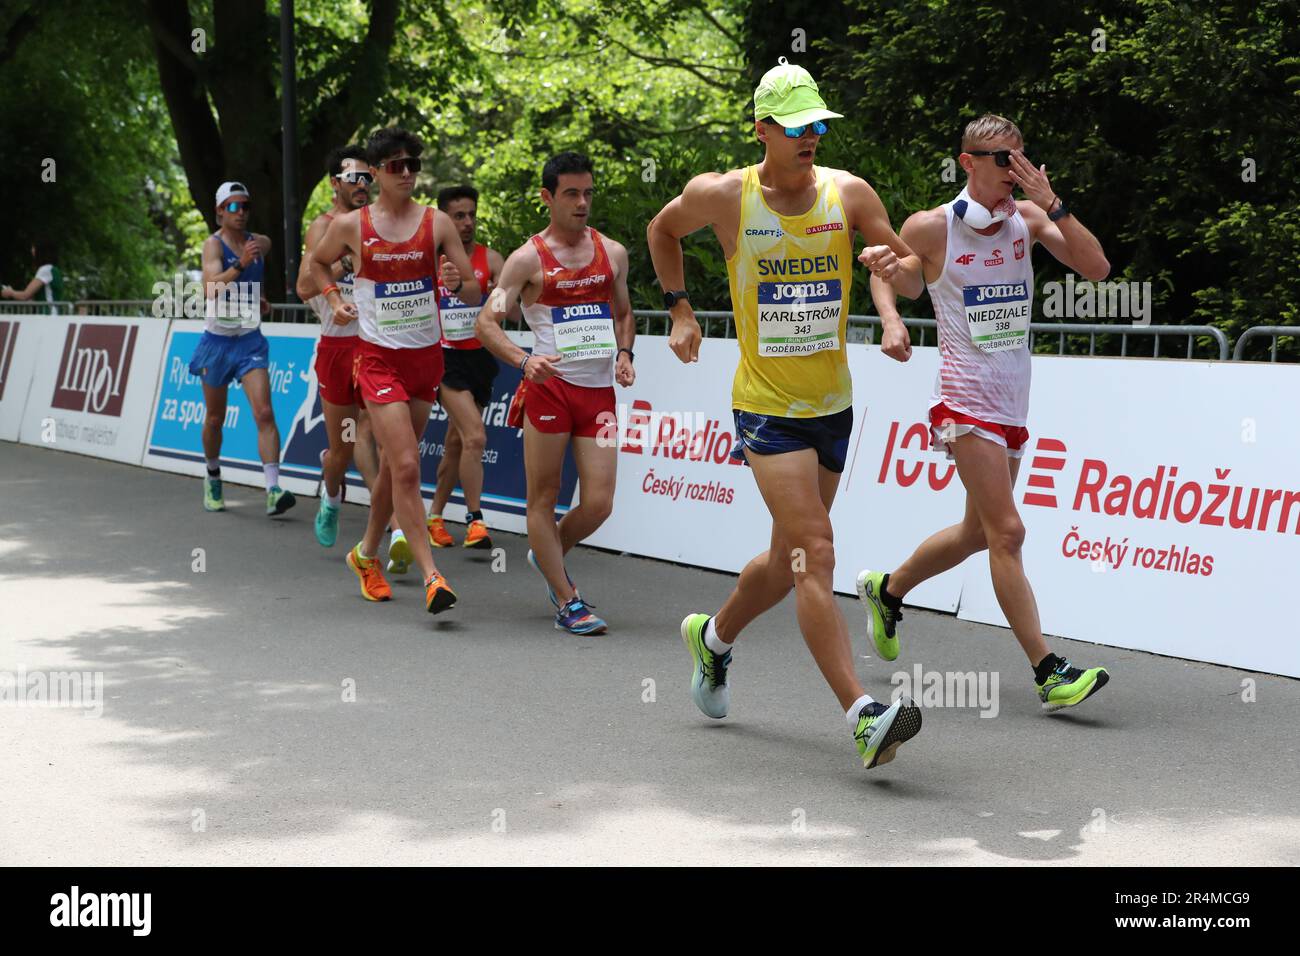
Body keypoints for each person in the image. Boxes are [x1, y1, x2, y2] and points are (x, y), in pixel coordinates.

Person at [646, 58, 923, 768]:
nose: (813, 137)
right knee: (816, 554)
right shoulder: (725, 198)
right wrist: (679, 310)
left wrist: (900, 279)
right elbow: (661, 231)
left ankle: (711, 640)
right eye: (798, 126)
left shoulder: (849, 193)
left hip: (833, 405)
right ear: (763, 129)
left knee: (783, 558)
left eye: (819, 124)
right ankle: (863, 713)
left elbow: (912, 272)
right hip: (766, 409)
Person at [856, 114, 1113, 712]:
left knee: (977, 532)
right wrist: (892, 318)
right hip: (963, 400)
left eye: (1020, 158)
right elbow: (896, 275)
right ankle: (1049, 670)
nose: (1012, 171)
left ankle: (888, 592)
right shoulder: (934, 226)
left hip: (1011, 400)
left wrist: (1056, 203)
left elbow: (1097, 269)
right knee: (1008, 532)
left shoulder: (1028, 218)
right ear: (967, 161)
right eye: (1001, 160)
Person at [308, 127, 481, 616]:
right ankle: (432, 576)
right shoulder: (351, 226)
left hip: (425, 359)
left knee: (393, 469)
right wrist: (334, 297)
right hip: (377, 358)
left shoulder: (438, 223)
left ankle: (365, 554)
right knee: (405, 464)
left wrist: (454, 281)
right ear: (378, 171)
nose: (406, 173)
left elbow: (472, 290)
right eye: (396, 166)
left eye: (413, 165)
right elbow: (315, 266)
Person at [475, 152, 635, 635]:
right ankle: (568, 600)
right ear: (548, 197)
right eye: (571, 194)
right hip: (548, 392)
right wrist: (525, 361)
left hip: (597, 395)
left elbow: (623, 312)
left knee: (600, 502)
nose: (583, 202)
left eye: (588, 192)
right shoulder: (527, 260)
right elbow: (487, 322)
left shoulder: (614, 253)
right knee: (542, 498)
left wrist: (626, 354)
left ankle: (547, 553)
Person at [192, 182, 295, 517]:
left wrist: (256, 299)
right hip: (217, 344)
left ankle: (273, 489)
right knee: (214, 417)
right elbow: (210, 288)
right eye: (233, 207)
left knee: (264, 413)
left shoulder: (258, 243)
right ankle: (212, 474)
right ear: (220, 211)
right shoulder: (213, 245)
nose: (240, 213)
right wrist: (240, 265)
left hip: (250, 340)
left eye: (245, 206)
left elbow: (263, 250)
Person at [296, 145, 380, 547]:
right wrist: (344, 263)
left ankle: (394, 528)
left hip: (376, 346)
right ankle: (331, 494)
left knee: (370, 435)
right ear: (335, 184)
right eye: (354, 178)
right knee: (343, 449)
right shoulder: (324, 226)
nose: (362, 185)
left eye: (368, 177)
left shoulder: (381, 223)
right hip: (336, 347)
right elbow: (302, 287)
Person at [2, 241, 64, 315]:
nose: (32, 251)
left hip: (46, 315)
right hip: (53, 314)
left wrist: (10, 292)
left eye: (34, 248)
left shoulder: (45, 269)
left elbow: (25, 295)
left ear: (41, 251)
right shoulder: (54, 270)